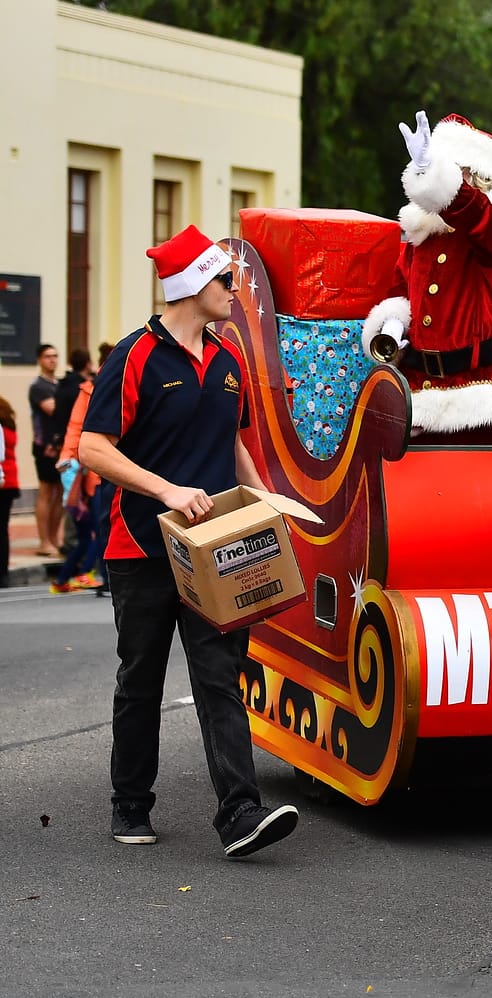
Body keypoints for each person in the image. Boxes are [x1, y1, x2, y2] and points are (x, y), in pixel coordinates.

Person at [78, 224, 299, 857]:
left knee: (220, 676)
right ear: (194, 285)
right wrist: (168, 490)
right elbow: (94, 448)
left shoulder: (229, 361)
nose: (236, 291)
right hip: (143, 546)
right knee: (141, 678)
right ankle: (130, 804)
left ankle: (240, 815)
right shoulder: (135, 356)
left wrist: (263, 506)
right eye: (227, 280)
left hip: (217, 555)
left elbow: (232, 443)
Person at [361, 110, 492, 445]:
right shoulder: (423, 228)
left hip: (484, 395)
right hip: (423, 390)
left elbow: (491, 238)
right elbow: (404, 286)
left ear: (473, 173)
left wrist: (441, 181)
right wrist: (394, 325)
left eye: (446, 168)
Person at [52, 369, 107, 594]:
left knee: (95, 533)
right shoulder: (87, 392)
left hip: (110, 472)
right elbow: (75, 430)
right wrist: (67, 461)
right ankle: (101, 577)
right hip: (95, 476)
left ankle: (90, 576)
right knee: (99, 530)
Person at [29, 344, 62, 556]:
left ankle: (55, 538)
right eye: (48, 356)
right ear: (40, 360)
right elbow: (53, 409)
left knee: (60, 493)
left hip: (60, 446)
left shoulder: (58, 384)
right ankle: (44, 541)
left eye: (55, 356)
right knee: (46, 492)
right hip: (44, 446)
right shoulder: (38, 386)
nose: (52, 360)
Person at [0, 396, 18, 586]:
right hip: (10, 479)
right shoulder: (9, 427)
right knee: (3, 530)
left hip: (3, 477)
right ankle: (3, 573)